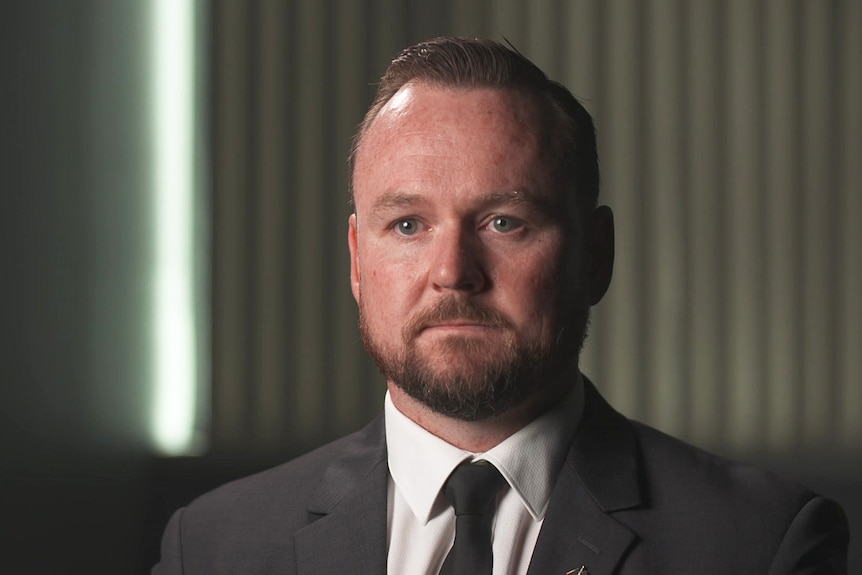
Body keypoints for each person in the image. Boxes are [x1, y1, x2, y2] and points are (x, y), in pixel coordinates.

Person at [152, 37, 848, 574]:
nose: (453, 272)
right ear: (358, 262)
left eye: (504, 222)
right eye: (407, 225)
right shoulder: (214, 546)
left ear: (595, 255)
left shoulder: (756, 543)